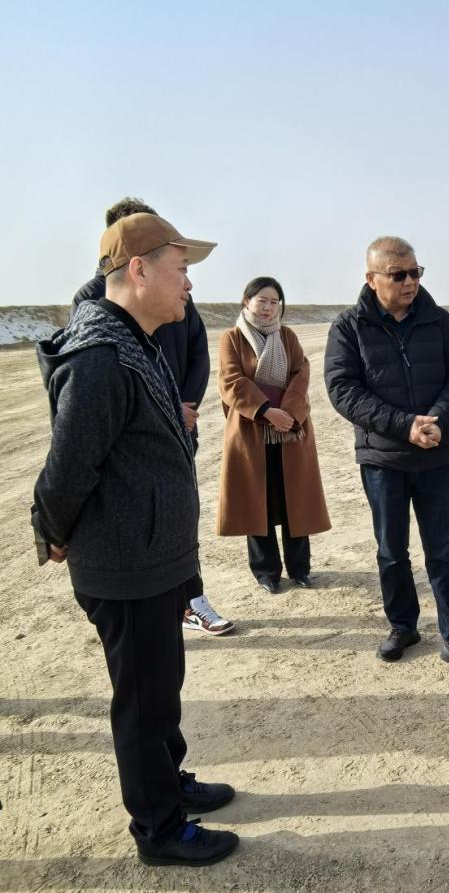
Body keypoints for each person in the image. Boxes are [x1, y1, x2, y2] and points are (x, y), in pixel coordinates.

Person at [32, 212, 239, 866]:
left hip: (155, 557)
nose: (190, 286)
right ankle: (159, 828)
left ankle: (167, 783)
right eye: (182, 270)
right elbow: (69, 466)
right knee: (144, 701)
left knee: (161, 689)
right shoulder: (100, 358)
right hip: (127, 565)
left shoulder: (136, 341)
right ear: (140, 270)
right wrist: (51, 530)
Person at [323, 236, 449, 673]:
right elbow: (343, 390)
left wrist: (439, 418)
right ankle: (402, 626)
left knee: (443, 550)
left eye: (416, 272)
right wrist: (404, 425)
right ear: (371, 278)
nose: (410, 282)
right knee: (391, 551)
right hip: (383, 461)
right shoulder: (348, 327)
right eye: (398, 274)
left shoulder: (440, 322)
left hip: (435, 456)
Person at [73, 196, 233, 637]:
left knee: (179, 512)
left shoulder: (176, 293)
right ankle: (160, 604)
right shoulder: (93, 299)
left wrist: (187, 404)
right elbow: (89, 386)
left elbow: (198, 353)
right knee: (141, 520)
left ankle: (190, 598)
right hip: (135, 434)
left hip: (180, 424)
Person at [216, 277, 331, 592]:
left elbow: (300, 374)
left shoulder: (288, 336)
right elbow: (231, 381)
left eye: (274, 302)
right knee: (257, 501)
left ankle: (300, 568)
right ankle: (266, 572)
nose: (268, 308)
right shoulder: (232, 338)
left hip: (290, 430)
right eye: (262, 300)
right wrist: (266, 411)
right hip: (251, 430)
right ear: (247, 301)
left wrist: (288, 415)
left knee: (295, 499)